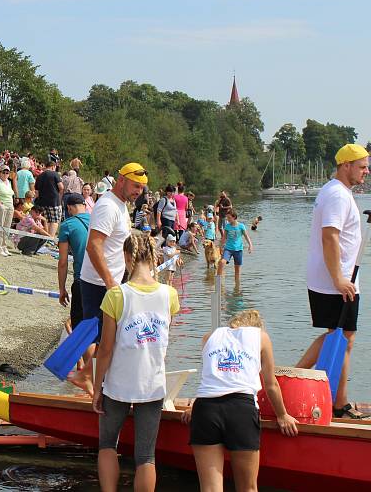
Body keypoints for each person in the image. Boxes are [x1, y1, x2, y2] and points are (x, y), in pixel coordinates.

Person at [92, 233, 179, 492]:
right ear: (152, 258)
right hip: (152, 384)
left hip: (119, 383)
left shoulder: (116, 295)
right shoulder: (169, 295)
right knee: (146, 456)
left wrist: (98, 387)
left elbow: (106, 349)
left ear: (127, 257)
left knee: (107, 444)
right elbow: (163, 342)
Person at [182, 310, 298, 491]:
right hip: (240, 409)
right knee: (247, 488)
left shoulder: (208, 337)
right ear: (257, 326)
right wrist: (282, 415)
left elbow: (215, 378)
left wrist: (194, 409)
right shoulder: (262, 337)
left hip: (205, 409)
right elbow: (271, 385)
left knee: (210, 489)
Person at [296, 143, 370, 419]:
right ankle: (296, 381)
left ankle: (337, 402)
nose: (366, 172)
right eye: (362, 167)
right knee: (340, 337)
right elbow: (330, 236)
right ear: (345, 165)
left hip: (337, 279)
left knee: (343, 337)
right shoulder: (337, 194)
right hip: (334, 281)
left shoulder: (337, 192)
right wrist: (339, 278)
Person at [73, 163, 148, 395]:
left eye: (142, 188)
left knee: (103, 336)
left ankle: (91, 378)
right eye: (135, 186)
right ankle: (86, 377)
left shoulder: (121, 205)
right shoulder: (108, 206)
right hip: (98, 282)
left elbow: (116, 246)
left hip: (109, 280)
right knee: (109, 337)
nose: (138, 192)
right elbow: (93, 246)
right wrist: (110, 283)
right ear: (121, 180)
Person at [58, 193, 90, 330]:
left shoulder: (67, 225)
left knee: (79, 330)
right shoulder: (98, 220)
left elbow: (63, 262)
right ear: (84, 205)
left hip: (81, 279)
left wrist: (62, 289)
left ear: (69, 208)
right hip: (103, 280)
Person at [218, 209, 254, 288]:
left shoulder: (241, 226)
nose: (227, 219)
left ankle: (237, 288)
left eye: (229, 218)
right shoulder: (227, 226)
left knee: (237, 270)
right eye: (227, 218)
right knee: (221, 262)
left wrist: (250, 245)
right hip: (228, 249)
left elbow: (246, 236)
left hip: (238, 250)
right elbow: (224, 238)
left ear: (234, 217)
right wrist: (220, 247)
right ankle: (218, 283)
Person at [0, 163, 16, 257]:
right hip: (1, 205)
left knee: (7, 227)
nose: (5, 174)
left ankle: (4, 246)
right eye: (4, 172)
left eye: (7, 172)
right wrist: (0, 204)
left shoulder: (9, 182)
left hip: (10, 206)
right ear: (0, 172)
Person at [34, 160, 64, 237]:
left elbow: (36, 192)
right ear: (53, 166)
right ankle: (51, 239)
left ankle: (46, 238)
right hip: (54, 201)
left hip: (42, 202)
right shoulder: (55, 174)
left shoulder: (39, 176)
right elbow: (61, 187)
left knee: (46, 220)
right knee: (54, 221)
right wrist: (59, 196)